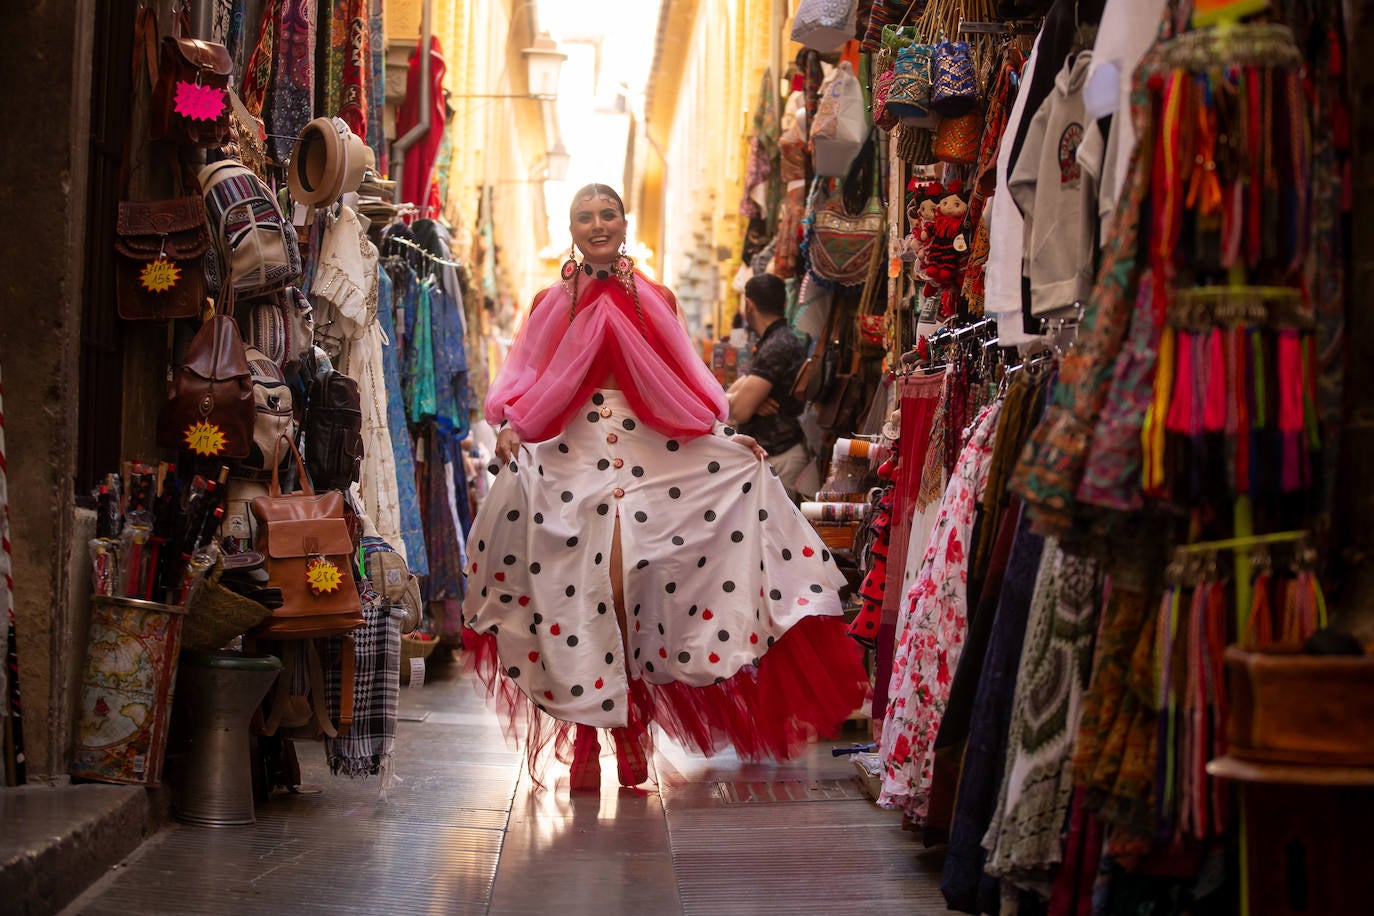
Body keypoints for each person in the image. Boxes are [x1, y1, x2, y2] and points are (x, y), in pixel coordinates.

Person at [462, 183, 868, 791]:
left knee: (635, 595)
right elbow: (529, 378)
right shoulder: (550, 302)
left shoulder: (659, 299)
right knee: (570, 595)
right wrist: (513, 429)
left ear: (624, 224)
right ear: (571, 229)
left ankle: (629, 731)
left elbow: (683, 382)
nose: (597, 225)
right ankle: (582, 740)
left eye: (607, 214)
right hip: (570, 455)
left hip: (653, 455)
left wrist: (726, 439)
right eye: (584, 217)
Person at [725, 273, 811, 501]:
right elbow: (739, 392)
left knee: (778, 535)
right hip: (775, 457)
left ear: (749, 305)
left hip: (780, 459)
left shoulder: (777, 345)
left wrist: (741, 399)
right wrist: (745, 398)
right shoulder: (774, 341)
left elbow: (741, 409)